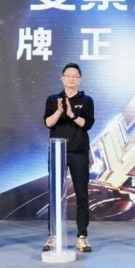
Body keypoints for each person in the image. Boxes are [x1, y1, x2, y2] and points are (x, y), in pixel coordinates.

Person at [42, 63, 96, 253]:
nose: (71, 78)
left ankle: (82, 236)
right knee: (55, 194)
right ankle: (53, 235)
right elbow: (48, 123)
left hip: (79, 152)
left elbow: (87, 124)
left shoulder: (86, 100)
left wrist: (72, 114)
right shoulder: (52, 99)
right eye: (68, 75)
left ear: (80, 79)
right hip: (57, 152)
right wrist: (59, 111)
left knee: (82, 194)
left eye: (75, 76)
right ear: (62, 78)